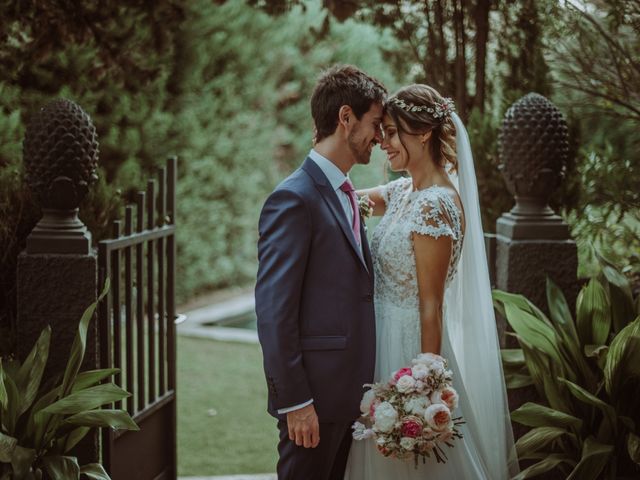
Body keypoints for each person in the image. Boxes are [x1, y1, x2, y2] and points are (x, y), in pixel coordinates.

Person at [344, 84, 518, 479]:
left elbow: (430, 304)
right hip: (379, 337)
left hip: (407, 351)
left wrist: (423, 387)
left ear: (423, 133)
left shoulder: (436, 204)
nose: (382, 142)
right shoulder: (406, 190)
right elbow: (348, 198)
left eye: (391, 132)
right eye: (381, 131)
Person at [255, 64, 387, 480]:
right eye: (376, 124)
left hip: (350, 398)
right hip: (313, 401)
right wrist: (295, 402)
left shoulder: (346, 192)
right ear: (345, 118)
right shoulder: (293, 199)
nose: (380, 138)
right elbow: (274, 311)